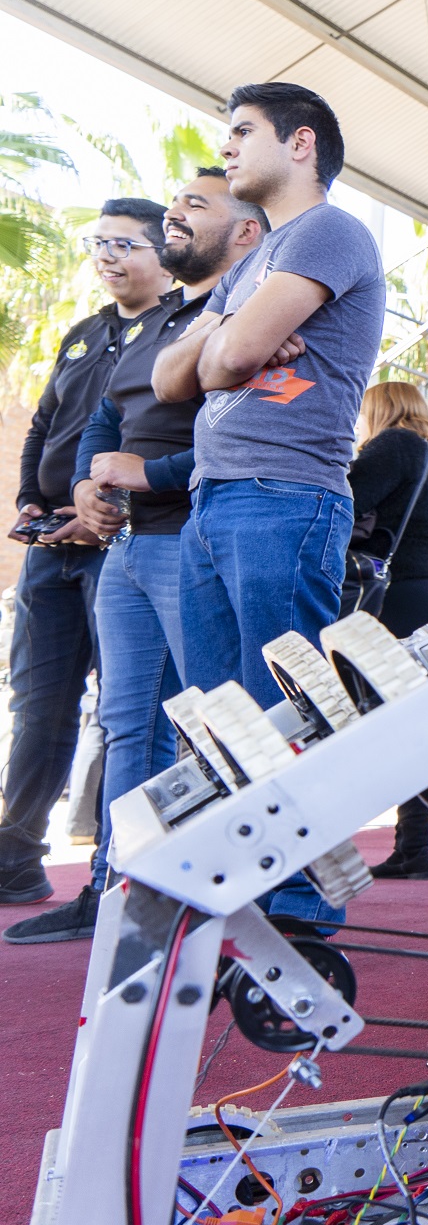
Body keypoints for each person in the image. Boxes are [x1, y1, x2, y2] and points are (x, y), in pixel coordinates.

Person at [4, 173, 265, 944]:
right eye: (173, 212)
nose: (175, 220)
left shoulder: (255, 314)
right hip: (127, 545)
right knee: (124, 725)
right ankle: (117, 888)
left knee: (215, 723)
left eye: (192, 211)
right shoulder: (158, 325)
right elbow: (106, 413)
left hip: (190, 540)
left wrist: (144, 476)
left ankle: (234, 894)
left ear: (243, 233)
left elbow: (239, 438)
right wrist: (87, 483)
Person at [151, 82, 387, 929]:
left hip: (285, 496)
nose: (227, 148)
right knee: (219, 717)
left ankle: (299, 912)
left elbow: (223, 360)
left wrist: (228, 342)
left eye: (242, 131)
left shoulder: (328, 230)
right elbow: (168, 377)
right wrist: (228, 339)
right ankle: (245, 897)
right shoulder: (254, 260)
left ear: (302, 145)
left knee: (281, 719)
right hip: (218, 500)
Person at [0, 198, 174, 908]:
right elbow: (44, 424)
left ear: (164, 253)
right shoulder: (82, 333)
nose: (106, 255)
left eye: (124, 243)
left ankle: (114, 869)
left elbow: (166, 436)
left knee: (126, 714)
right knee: (38, 704)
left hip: (122, 544)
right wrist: (29, 502)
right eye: (98, 242)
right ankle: (16, 854)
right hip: (51, 549)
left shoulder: (178, 330)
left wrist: (103, 514)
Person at [345, 382, 428, 881]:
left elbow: (343, 502)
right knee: (411, 721)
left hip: (391, 597)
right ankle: (413, 845)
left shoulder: (393, 446)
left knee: (376, 720)